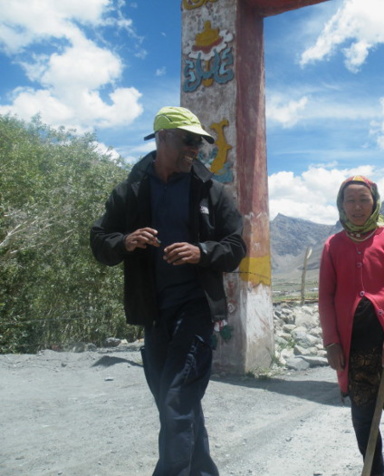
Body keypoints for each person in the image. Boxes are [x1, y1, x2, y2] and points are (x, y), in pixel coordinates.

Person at [90, 106, 247, 476]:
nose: (196, 149)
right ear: (162, 137)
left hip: (196, 308)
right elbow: (99, 240)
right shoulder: (130, 191)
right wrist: (126, 241)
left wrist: (202, 251)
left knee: (176, 399)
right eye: (188, 140)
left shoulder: (211, 190)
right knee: (176, 403)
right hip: (153, 312)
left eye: (201, 143)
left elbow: (236, 247)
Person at [318, 175, 384, 476]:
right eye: (349, 200)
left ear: (374, 202)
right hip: (354, 356)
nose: (357, 207)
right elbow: (325, 298)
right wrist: (332, 343)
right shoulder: (332, 245)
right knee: (364, 425)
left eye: (363, 199)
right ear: (341, 205)